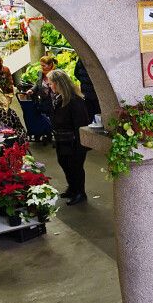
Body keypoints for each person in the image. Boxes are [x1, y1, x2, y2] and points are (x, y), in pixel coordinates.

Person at [49, 69, 91, 205]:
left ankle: (80, 192)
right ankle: (72, 188)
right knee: (64, 163)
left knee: (75, 167)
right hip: (62, 140)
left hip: (73, 142)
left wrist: (80, 145)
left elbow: (81, 124)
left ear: (58, 83)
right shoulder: (60, 98)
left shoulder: (75, 101)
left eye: (51, 84)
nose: (50, 86)